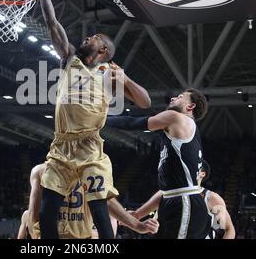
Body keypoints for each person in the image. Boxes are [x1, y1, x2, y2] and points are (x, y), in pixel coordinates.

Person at [27, 0, 152, 239]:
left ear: (103, 49)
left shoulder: (109, 73)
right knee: (47, 211)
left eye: (93, 37)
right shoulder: (70, 58)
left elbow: (144, 103)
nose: (87, 37)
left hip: (90, 146)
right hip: (61, 146)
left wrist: (127, 79)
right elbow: (51, 21)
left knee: (98, 204)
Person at [107, 89, 212, 239]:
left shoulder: (176, 117)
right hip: (178, 201)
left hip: (184, 203)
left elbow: (132, 122)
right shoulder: (177, 133)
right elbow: (166, 191)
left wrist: (99, 119)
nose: (174, 97)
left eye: (181, 97)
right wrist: (138, 214)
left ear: (190, 107)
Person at [18, 164, 159, 239]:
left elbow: (33, 215)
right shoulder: (92, 171)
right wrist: (138, 226)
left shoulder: (41, 170)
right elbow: (107, 201)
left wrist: (138, 225)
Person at [129, 160, 235, 239]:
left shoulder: (211, 198)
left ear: (202, 174)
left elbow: (229, 229)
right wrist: (151, 227)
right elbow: (139, 217)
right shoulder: (165, 193)